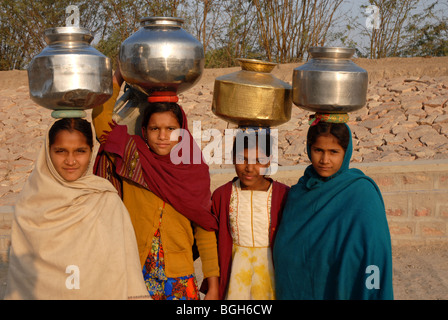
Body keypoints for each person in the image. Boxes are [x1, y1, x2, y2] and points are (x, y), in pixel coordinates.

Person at [92, 69, 219, 300]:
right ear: (144, 130)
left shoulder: (193, 170)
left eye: (171, 129)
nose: (162, 136)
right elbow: (101, 121)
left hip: (180, 279)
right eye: (154, 129)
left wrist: (213, 285)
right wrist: (118, 77)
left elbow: (205, 228)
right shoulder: (133, 157)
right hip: (135, 274)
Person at [4, 118, 150, 300]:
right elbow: (24, 279)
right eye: (61, 151)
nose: (70, 161)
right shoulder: (31, 203)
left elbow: (124, 266)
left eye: (80, 151)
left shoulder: (106, 200)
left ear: (91, 151)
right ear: (47, 152)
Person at [273, 114, 394, 300]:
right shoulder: (299, 193)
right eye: (318, 150)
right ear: (308, 148)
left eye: (333, 152)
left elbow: (375, 250)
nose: (324, 160)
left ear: (346, 153)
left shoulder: (360, 193)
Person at [211, 129, 289, 299]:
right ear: (233, 159)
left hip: (272, 278)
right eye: (242, 159)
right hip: (235, 279)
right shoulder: (222, 196)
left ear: (269, 162)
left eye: (258, 161)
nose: (249, 168)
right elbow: (211, 242)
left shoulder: (284, 196)